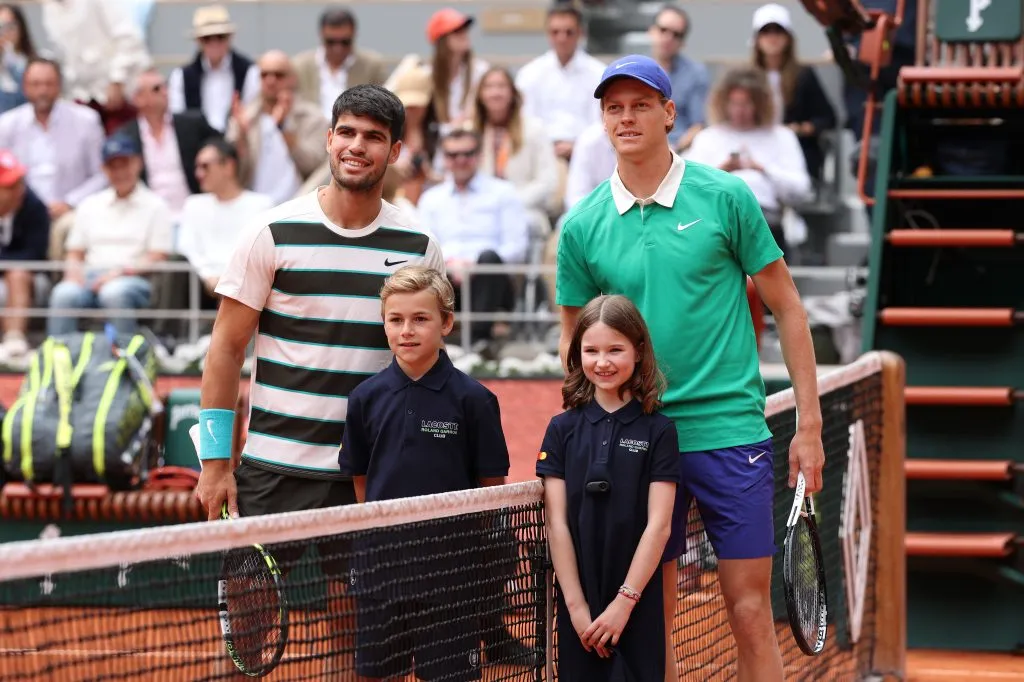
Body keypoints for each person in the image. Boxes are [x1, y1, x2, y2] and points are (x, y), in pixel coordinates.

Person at [556, 55, 825, 682]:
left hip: (730, 433)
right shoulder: (582, 226)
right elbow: (575, 343)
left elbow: (788, 307)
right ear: (603, 120)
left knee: (751, 613)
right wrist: (584, 438)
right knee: (654, 623)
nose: (626, 118)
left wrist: (808, 425)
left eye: (641, 105)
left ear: (670, 113)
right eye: (614, 108)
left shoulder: (727, 197)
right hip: (639, 439)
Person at [193, 84, 445, 676]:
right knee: (244, 637)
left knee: (352, 642)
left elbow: (424, 364)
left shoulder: (419, 246)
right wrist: (215, 464)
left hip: (366, 474)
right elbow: (225, 349)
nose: (358, 146)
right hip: (271, 469)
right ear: (329, 139)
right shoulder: (271, 231)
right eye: (347, 133)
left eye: (374, 137)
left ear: (395, 151)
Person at [339, 264, 512, 681]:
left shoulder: (475, 400)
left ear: (446, 323)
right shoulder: (364, 398)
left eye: (420, 319)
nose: (407, 331)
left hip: (451, 576)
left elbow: (491, 490)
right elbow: (361, 480)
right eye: (395, 320)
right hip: (381, 571)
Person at [538, 294, 678, 682]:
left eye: (615, 349)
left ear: (638, 351)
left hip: (635, 601)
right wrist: (576, 607)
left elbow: (659, 526)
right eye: (591, 350)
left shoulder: (660, 431)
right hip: (579, 604)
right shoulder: (561, 429)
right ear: (577, 354)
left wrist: (624, 603)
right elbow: (556, 524)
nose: (602, 362)